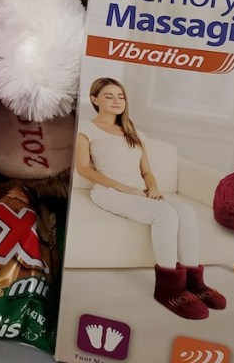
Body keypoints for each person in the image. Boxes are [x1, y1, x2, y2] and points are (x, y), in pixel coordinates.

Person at [75, 78, 226, 320]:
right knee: (165, 214)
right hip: (110, 192)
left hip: (141, 191)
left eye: (120, 96)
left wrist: (154, 188)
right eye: (109, 96)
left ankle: (195, 284)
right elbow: (83, 169)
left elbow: (146, 171)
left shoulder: (134, 133)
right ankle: (169, 288)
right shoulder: (86, 128)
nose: (116, 101)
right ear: (94, 99)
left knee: (185, 211)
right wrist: (122, 187)